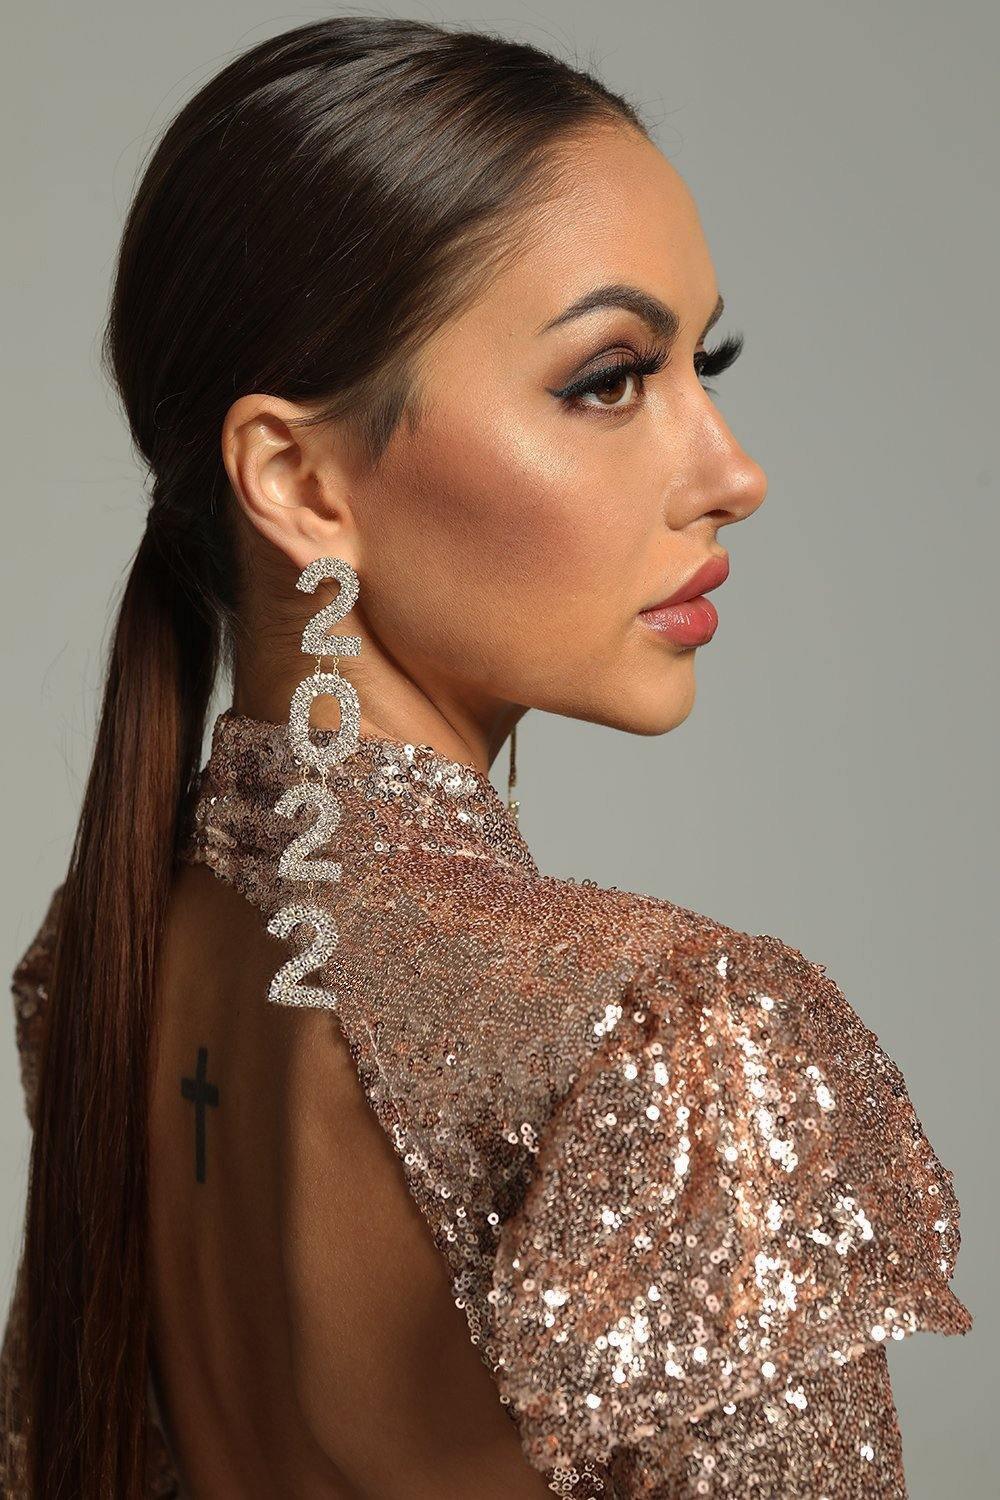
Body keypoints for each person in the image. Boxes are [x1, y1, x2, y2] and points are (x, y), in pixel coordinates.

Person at [0, 16, 972, 1499]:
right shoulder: (678, 1045)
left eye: (704, 361)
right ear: (300, 481)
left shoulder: (108, 958)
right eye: (611, 378)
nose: (734, 473)